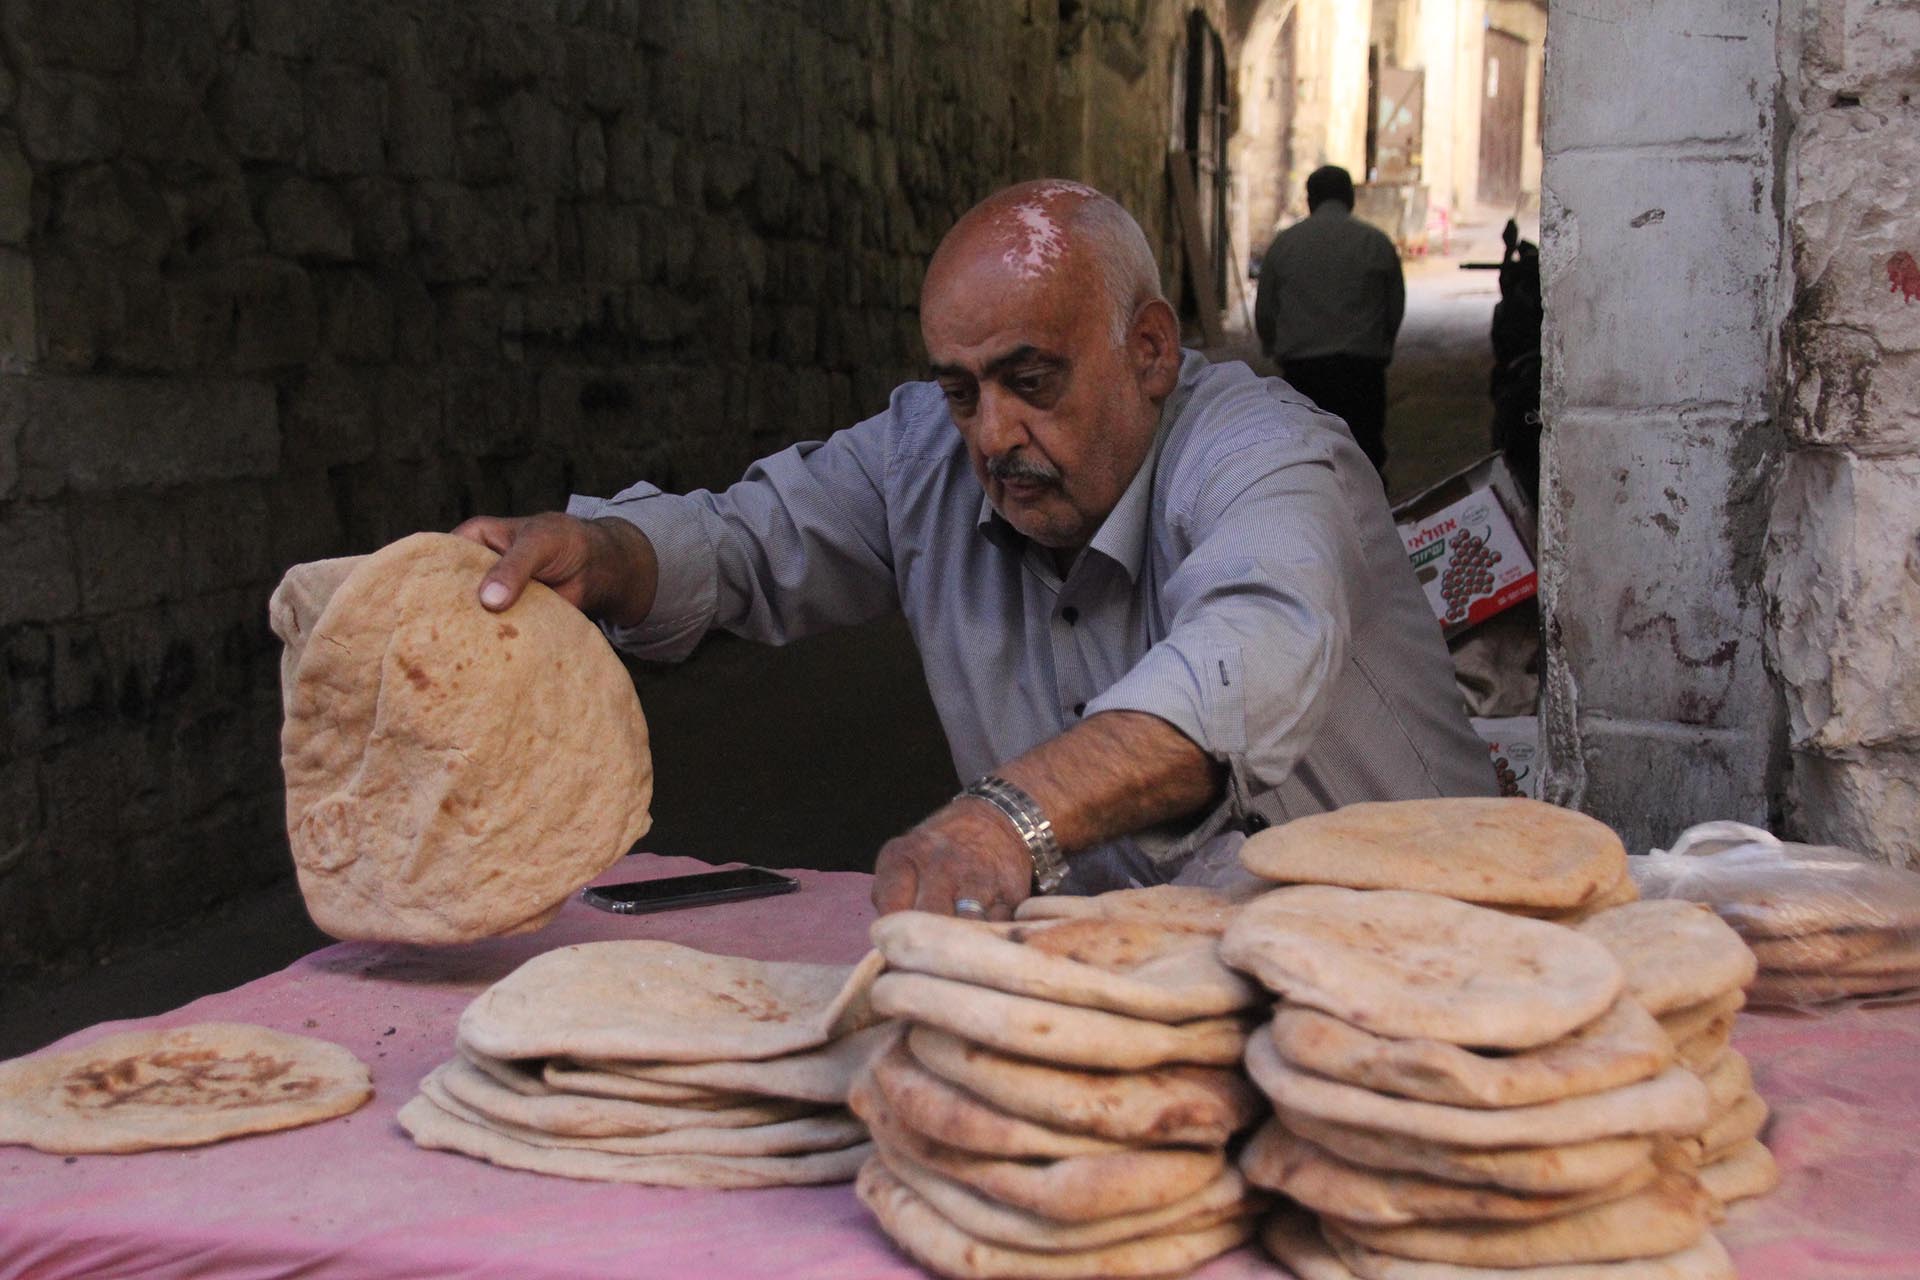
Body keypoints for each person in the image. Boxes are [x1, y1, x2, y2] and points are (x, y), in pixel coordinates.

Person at [456, 179, 1494, 921]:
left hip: (1418, 967)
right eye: (961, 388)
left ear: (1150, 350)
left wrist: (1010, 818)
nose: (990, 434)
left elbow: (1251, 644)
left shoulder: (1266, 450)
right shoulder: (930, 452)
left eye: (1031, 377)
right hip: (1144, 997)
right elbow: (740, 540)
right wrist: (602, 550)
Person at [1253, 165, 1406, 475]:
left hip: (1303, 373)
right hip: (1361, 371)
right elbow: (1394, 305)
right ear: (1350, 197)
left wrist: (1272, 346)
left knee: (1309, 459)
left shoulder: (1285, 245)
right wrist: (1383, 345)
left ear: (1310, 200)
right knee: (1364, 456)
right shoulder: (1375, 242)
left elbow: (1266, 309)